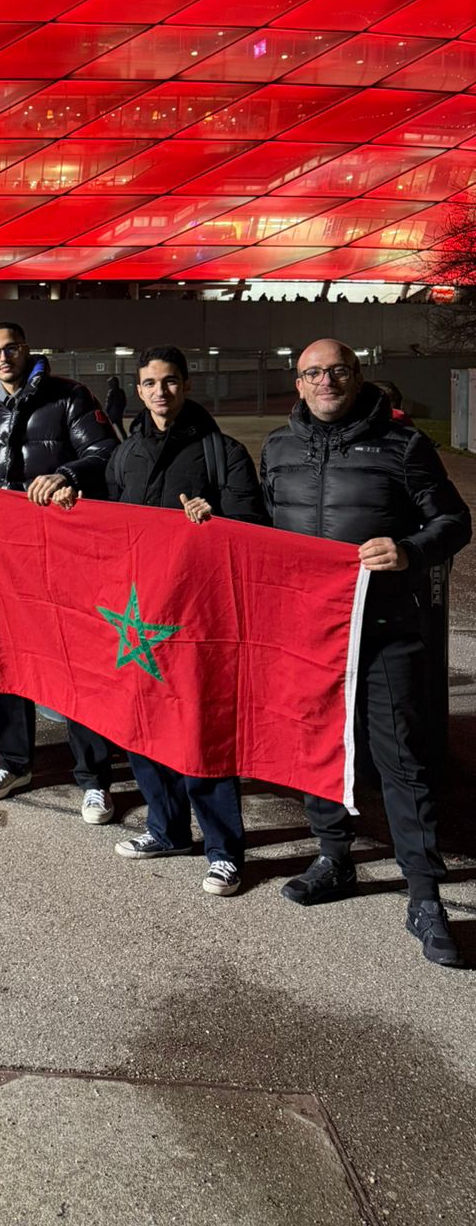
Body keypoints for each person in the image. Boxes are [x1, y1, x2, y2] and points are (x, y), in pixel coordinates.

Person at [261, 339, 471, 966]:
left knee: (401, 758)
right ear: (298, 382)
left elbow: (454, 521)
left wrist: (409, 550)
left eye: (338, 371)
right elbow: (263, 531)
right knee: (318, 745)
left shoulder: (403, 446)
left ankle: (424, 896)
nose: (326, 381)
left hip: (386, 628)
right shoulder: (278, 447)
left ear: (356, 377)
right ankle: (334, 858)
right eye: (314, 372)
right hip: (310, 633)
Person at [92, 345, 267, 896]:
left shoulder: (221, 451)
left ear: (187, 385)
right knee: (142, 722)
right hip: (139, 611)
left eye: (169, 381)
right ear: (138, 390)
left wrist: (216, 518)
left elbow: (254, 525)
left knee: (199, 728)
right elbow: (111, 524)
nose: (159, 392)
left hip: (198, 615)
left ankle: (224, 850)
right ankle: (166, 830)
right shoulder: (125, 454)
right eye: (149, 383)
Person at [0, 323, 118, 817]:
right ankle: (14, 762)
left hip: (62, 552)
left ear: (27, 349)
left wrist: (65, 474)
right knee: (9, 658)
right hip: (7, 555)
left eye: (10, 348)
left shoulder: (69, 396)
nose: (3, 358)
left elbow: (106, 453)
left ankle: (94, 778)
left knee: (75, 661)